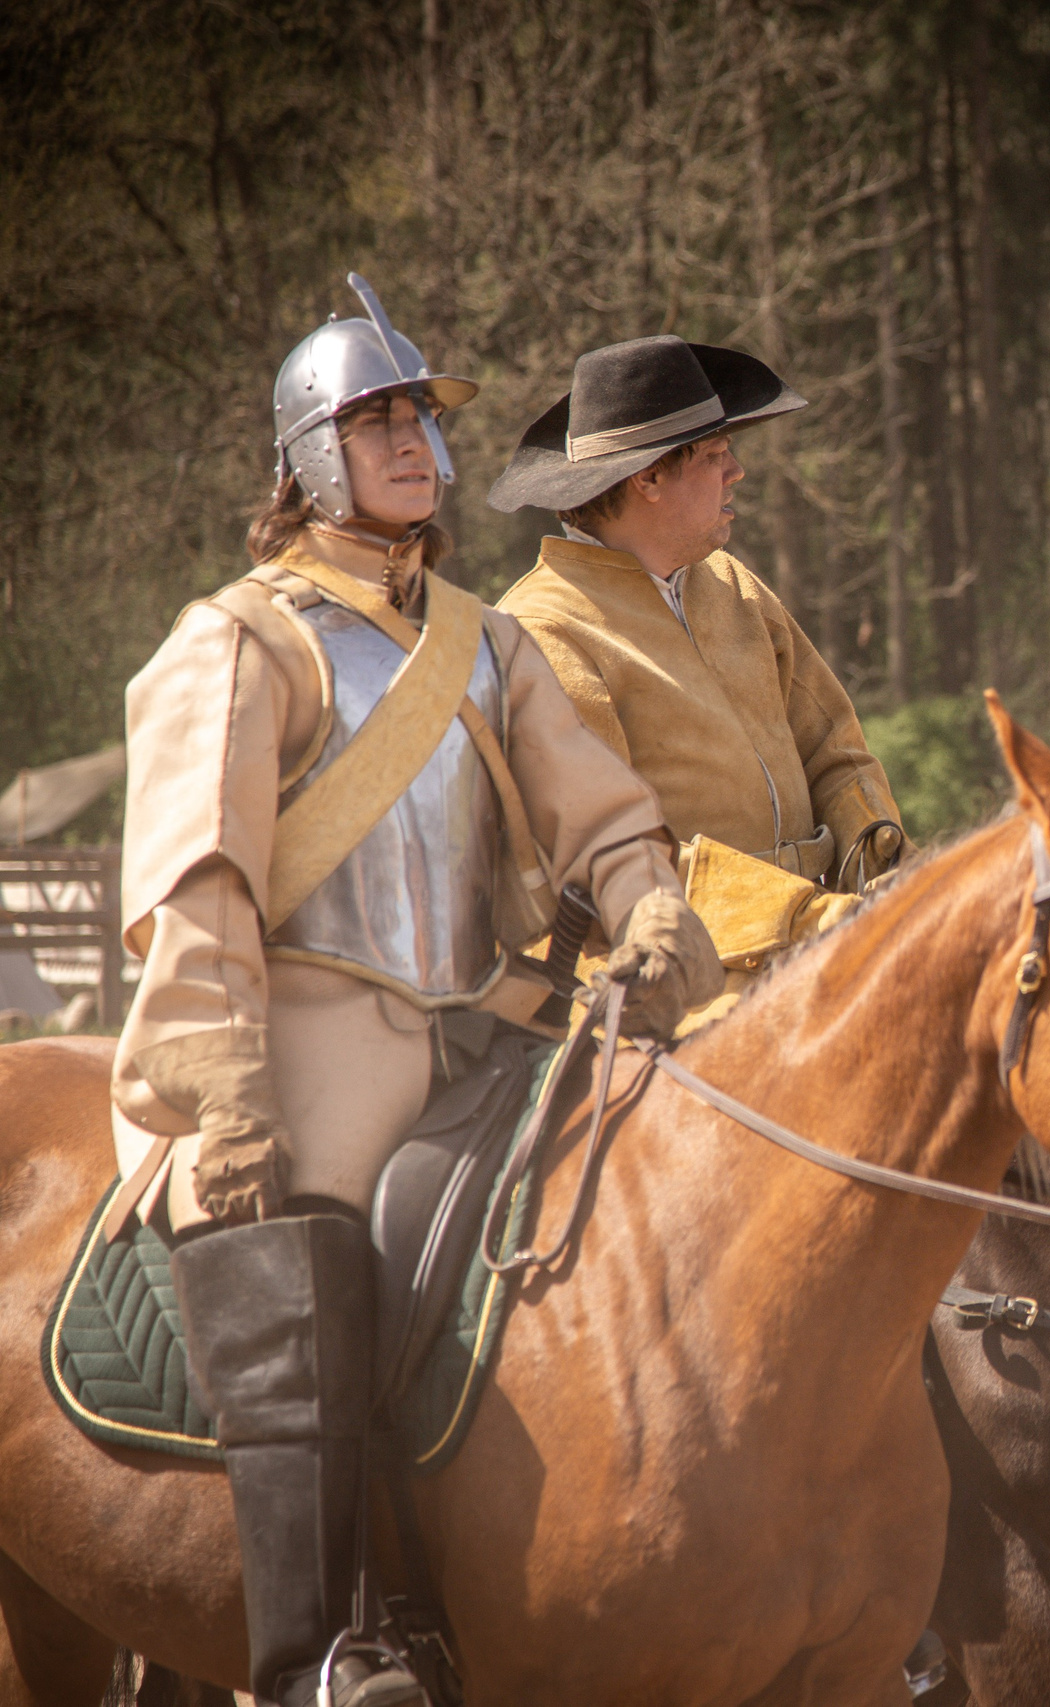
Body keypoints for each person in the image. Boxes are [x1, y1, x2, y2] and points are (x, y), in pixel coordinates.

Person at [112, 276, 721, 1707]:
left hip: (491, 1028)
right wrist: (223, 1087)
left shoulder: (490, 641)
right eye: (372, 416)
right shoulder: (240, 638)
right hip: (315, 1033)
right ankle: (315, 1651)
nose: (407, 438)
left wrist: (649, 911)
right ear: (308, 457)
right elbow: (199, 881)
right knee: (303, 1245)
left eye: (419, 417)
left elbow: (611, 820)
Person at [486, 335, 902, 1010]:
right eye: (713, 456)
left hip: (822, 945)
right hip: (678, 986)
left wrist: (883, 872)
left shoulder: (732, 584)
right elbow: (614, 861)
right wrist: (809, 920)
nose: (735, 471)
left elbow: (837, 751)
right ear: (647, 478)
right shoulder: (543, 631)